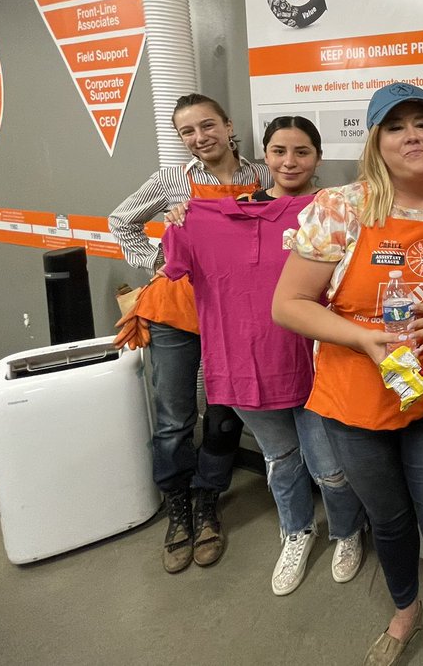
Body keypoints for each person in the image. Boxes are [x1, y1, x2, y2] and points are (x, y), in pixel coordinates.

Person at [272, 83, 423, 666]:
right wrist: (362, 339)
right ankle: (405, 611)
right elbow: (289, 304)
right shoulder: (340, 208)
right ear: (376, 140)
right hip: (355, 402)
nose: (412, 135)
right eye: (396, 126)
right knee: (390, 522)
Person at [161, 116, 367, 595]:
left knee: (330, 468)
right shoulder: (209, 215)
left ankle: (347, 531)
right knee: (280, 460)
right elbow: (168, 262)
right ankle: (296, 531)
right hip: (244, 364)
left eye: (301, 152)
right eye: (278, 151)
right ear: (264, 156)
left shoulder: (336, 211)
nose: (289, 162)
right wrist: (179, 221)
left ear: (317, 157)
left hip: (318, 363)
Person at [110, 93, 270, 573]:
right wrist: (161, 262)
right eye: (188, 132)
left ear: (227, 124)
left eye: (207, 126)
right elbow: (122, 220)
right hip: (176, 312)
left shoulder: (261, 176)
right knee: (175, 417)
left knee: (224, 414)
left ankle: (208, 499)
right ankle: (178, 506)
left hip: (234, 314)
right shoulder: (172, 181)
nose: (200, 138)